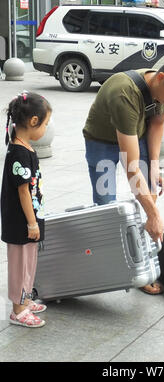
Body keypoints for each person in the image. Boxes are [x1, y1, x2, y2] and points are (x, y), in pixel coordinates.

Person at [83, 57, 164, 295]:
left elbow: (157, 123)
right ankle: (114, 264)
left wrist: (155, 165)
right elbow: (131, 167)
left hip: (136, 133)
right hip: (102, 138)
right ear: (160, 78)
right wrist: (154, 215)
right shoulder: (124, 92)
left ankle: (142, 265)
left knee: (150, 190)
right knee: (106, 204)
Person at [1, 92, 52, 328]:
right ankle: (18, 310)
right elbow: (23, 192)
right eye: (46, 123)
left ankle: (26, 299)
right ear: (33, 121)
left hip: (30, 217)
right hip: (21, 221)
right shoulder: (19, 153)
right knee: (20, 265)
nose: (46, 128)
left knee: (29, 262)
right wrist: (31, 223)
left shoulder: (25, 148)